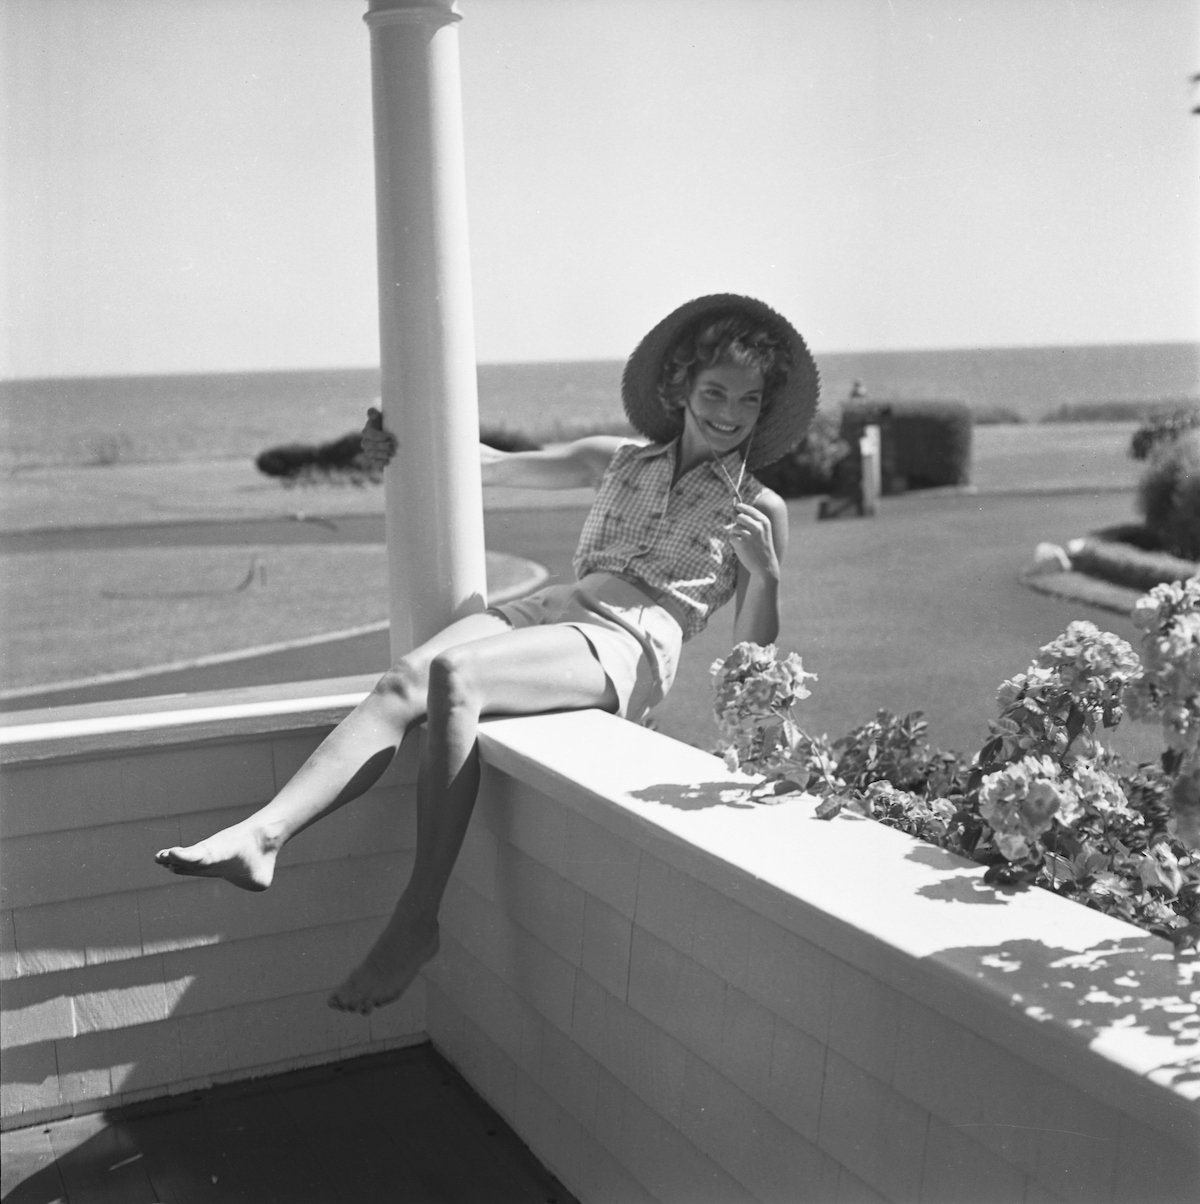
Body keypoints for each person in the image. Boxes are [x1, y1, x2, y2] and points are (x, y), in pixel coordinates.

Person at [154, 293, 820, 1014]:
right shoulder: (618, 460)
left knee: (456, 675)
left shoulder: (761, 506)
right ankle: (265, 834)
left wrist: (766, 575)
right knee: (405, 680)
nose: (729, 413)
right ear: (681, 386)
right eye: (715, 391)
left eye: (748, 400)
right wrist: (391, 438)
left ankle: (417, 918)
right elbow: (486, 465)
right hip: (557, 608)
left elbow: (753, 656)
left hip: (629, 641)